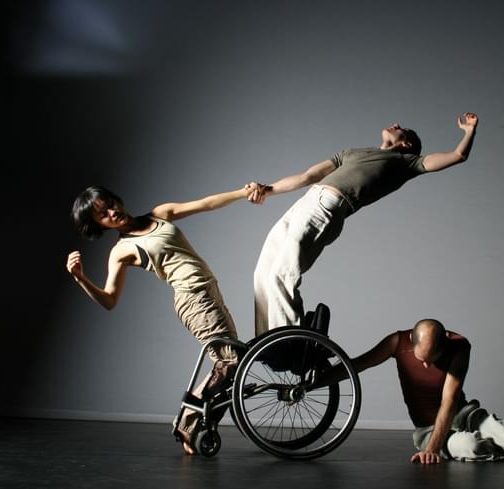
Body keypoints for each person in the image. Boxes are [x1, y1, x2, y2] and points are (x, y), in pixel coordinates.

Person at [66, 183, 264, 455]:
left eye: (111, 204)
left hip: (210, 290)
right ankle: (187, 424)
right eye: (103, 215)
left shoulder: (160, 213)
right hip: (192, 299)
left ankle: (197, 425)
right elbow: (110, 300)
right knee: (231, 361)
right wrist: (81, 279)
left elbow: (207, 202)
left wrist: (244, 193)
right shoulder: (121, 250)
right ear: (100, 224)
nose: (112, 213)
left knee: (233, 364)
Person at [248, 113, 479, 336]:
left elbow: (458, 155)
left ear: (407, 144)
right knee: (263, 272)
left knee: (283, 273)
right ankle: (265, 341)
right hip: (305, 203)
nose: (396, 122)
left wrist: (469, 131)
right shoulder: (351, 152)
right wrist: (267, 190)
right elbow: (307, 176)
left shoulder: (408, 163)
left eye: (402, 128)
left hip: (327, 207)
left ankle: (289, 345)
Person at [334, 319, 504, 463]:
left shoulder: (459, 346)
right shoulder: (397, 342)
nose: (426, 365)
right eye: (421, 359)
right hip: (428, 428)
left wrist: (433, 450)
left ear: (444, 342)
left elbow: (449, 400)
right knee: (471, 447)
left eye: (432, 359)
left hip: (464, 414)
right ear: (411, 340)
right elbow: (356, 365)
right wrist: (309, 385)